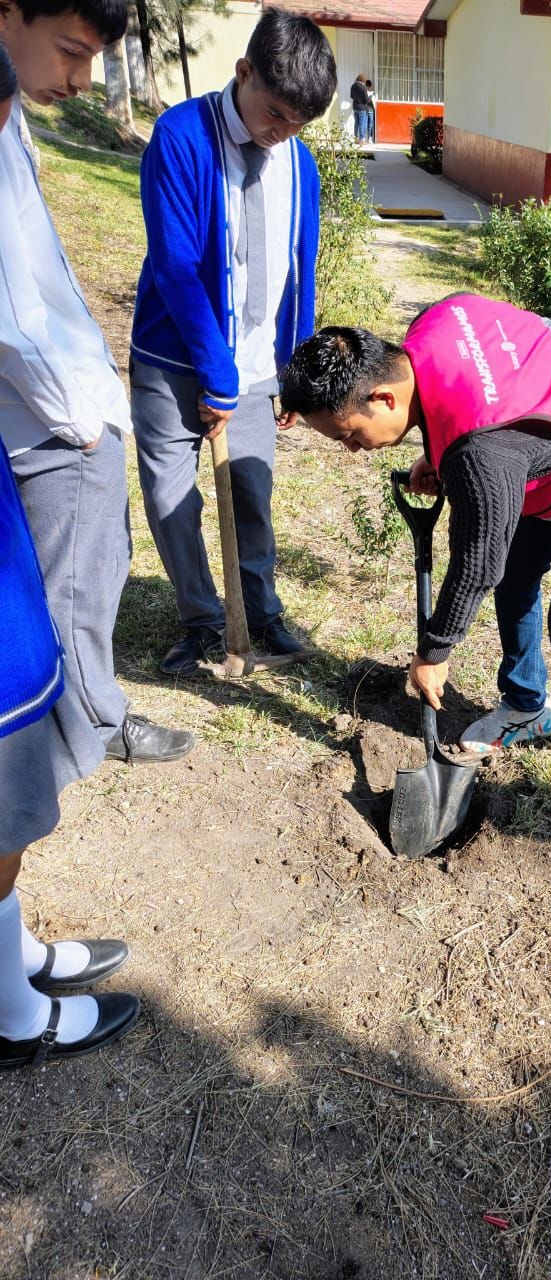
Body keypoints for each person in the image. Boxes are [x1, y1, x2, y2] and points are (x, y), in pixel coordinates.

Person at [278, 294, 551, 797]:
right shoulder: (434, 322)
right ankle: (527, 704)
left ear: (383, 397)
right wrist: (440, 453)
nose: (352, 449)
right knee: (516, 583)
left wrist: (434, 650)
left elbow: (477, 562)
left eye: (351, 435)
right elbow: (484, 411)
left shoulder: (481, 453)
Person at [0, 0, 194, 764]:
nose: (81, 80)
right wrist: (77, 417)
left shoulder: (14, 118)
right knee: (76, 589)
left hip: (61, 405)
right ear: (8, 12)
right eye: (71, 51)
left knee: (90, 573)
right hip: (53, 419)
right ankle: (86, 731)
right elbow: (11, 305)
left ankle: (78, 714)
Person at [0, 42, 139, 1071]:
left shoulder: (11, 120)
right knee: (11, 745)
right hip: (40, 443)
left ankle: (9, 959)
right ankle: (13, 1014)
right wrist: (82, 420)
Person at [130, 9, 337, 676]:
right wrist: (213, 376)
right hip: (173, 361)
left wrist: (296, 371)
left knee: (251, 493)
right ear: (243, 71)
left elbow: (297, 272)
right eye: (274, 114)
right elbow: (178, 266)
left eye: (297, 125)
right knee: (172, 500)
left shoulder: (298, 165)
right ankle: (201, 619)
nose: (280, 134)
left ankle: (259, 609)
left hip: (253, 371)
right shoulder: (181, 137)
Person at [350, 71, 369, 143]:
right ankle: (361, 140)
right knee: (361, 123)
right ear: (363, 80)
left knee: (356, 123)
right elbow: (366, 100)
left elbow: (351, 96)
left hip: (355, 107)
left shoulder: (353, 86)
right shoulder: (363, 87)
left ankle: (355, 138)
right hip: (362, 108)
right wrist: (370, 97)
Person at [364, 78, 376, 144]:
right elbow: (374, 104)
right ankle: (369, 138)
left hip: (365, 110)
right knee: (370, 125)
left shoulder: (364, 93)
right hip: (370, 110)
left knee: (365, 124)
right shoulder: (372, 93)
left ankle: (366, 138)